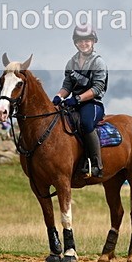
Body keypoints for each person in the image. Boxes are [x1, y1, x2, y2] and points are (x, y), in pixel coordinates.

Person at [52, 24, 108, 178]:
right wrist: (59, 97)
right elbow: (67, 86)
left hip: (92, 104)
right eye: (80, 41)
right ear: (75, 43)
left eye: (87, 40)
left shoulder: (98, 62)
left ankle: (97, 164)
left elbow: (97, 88)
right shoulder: (71, 63)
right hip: (73, 103)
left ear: (93, 41)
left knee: (85, 123)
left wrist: (77, 99)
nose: (83, 44)